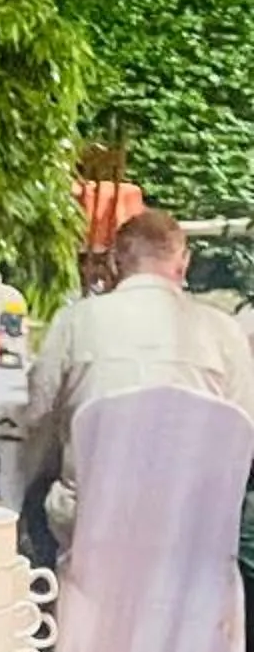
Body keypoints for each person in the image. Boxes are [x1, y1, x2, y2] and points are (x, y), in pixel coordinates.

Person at [24, 207, 254, 547]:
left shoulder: (76, 321)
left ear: (114, 261)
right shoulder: (225, 333)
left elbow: (38, 415)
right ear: (183, 262)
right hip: (194, 529)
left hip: (91, 524)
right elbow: (243, 434)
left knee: (33, 494)